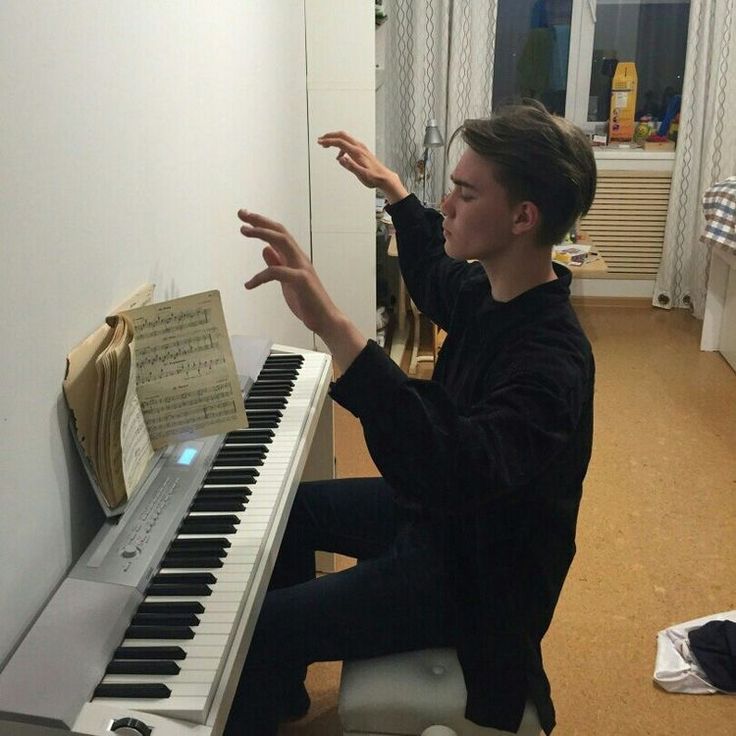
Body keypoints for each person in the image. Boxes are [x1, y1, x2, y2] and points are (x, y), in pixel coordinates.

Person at [224, 100, 597, 736]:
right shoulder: (495, 291)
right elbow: (430, 272)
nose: (446, 205)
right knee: (290, 513)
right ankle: (278, 698)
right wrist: (394, 190)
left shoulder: (551, 360)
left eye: (463, 191)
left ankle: (265, 670)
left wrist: (336, 328)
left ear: (522, 217)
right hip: (444, 523)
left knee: (251, 633)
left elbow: (452, 464)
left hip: (474, 576)